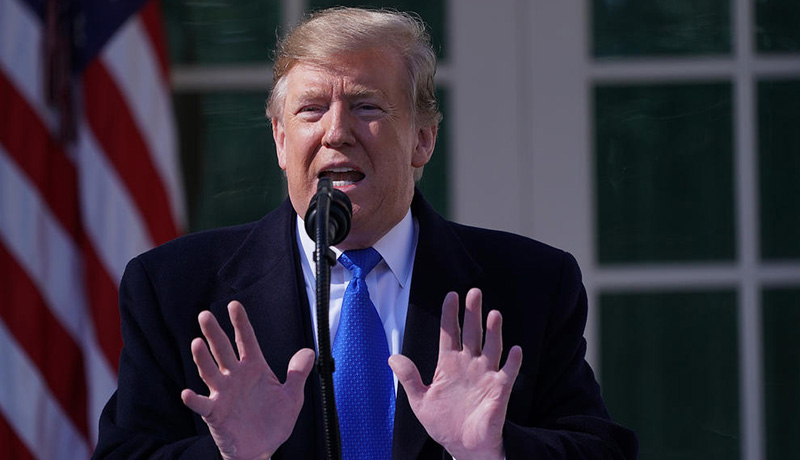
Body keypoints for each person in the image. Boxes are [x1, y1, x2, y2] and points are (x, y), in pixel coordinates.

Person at [92, 7, 637, 460]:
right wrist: (230, 455)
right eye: (311, 110)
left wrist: (493, 449)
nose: (336, 132)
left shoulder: (530, 283)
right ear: (281, 140)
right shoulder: (174, 287)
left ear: (423, 139)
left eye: (366, 106)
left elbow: (602, 450)